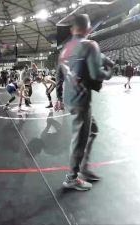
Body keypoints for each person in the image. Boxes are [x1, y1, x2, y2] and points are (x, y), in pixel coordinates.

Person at [55, 14, 112, 191]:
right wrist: (109, 72)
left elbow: (59, 76)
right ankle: (72, 178)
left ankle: (84, 169)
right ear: (88, 29)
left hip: (70, 99)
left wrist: (58, 97)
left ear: (73, 29)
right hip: (81, 100)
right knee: (79, 140)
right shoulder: (90, 45)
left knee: (92, 131)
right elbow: (96, 75)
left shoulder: (64, 49)